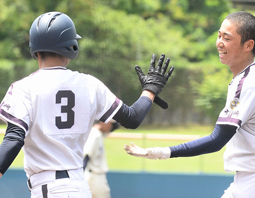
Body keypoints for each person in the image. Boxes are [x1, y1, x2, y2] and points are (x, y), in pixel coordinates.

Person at [0, 11, 174, 198]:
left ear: (34, 47)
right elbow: (132, 118)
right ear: (71, 45)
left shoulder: (24, 87)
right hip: (80, 187)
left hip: (48, 188)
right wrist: (150, 90)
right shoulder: (89, 84)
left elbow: (14, 138)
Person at [124, 11, 255, 198]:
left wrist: (162, 152)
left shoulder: (250, 83)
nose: (219, 42)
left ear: (248, 45)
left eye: (227, 38)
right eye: (219, 35)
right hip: (251, 179)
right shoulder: (250, 76)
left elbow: (217, 139)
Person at [83, 120, 120, 198]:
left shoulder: (99, 133)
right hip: (94, 177)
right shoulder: (94, 134)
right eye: (110, 124)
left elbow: (116, 126)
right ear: (103, 122)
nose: (111, 127)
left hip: (94, 177)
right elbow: (86, 157)